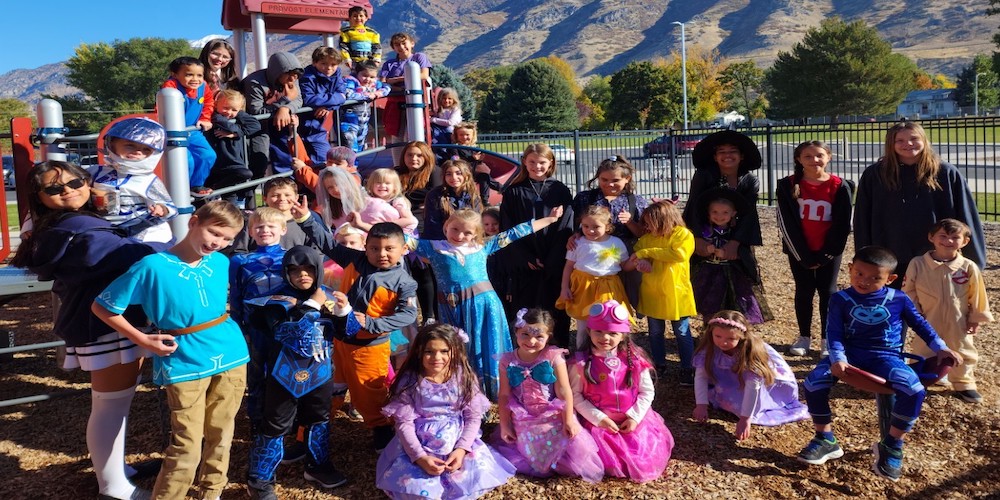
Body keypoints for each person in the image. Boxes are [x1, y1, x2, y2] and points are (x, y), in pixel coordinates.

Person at [11, 161, 167, 500]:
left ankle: (115, 471)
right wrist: (180, 250)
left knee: (112, 403)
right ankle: (113, 487)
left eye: (75, 181)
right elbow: (132, 256)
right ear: (39, 197)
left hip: (102, 322)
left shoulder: (61, 226)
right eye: (54, 188)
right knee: (111, 405)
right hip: (106, 325)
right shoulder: (79, 227)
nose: (67, 190)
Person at [92, 200, 250, 499]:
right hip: (183, 358)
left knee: (222, 433)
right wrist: (142, 338)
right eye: (214, 233)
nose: (219, 243)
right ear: (194, 222)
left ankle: (212, 492)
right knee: (186, 443)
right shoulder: (152, 266)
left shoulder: (220, 263)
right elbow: (103, 307)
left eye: (227, 239)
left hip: (230, 353)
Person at [797, 246, 962, 482]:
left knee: (914, 390)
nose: (865, 281)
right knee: (813, 382)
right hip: (850, 353)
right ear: (850, 269)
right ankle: (825, 438)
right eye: (859, 274)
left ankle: (892, 444)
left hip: (885, 356)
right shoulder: (840, 299)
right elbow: (833, 334)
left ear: (891, 279)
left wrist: (941, 347)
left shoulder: (898, 298)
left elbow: (920, 325)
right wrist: (839, 359)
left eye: (876, 277)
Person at [398, 207, 564, 400]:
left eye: (467, 232)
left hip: (483, 305)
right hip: (451, 307)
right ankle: (463, 387)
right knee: (456, 345)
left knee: (483, 344)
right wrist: (362, 224)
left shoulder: (483, 246)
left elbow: (515, 233)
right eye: (455, 229)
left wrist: (550, 220)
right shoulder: (432, 247)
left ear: (476, 233)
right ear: (446, 227)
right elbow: (397, 237)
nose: (460, 235)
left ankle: (491, 389)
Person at [294, 216, 418, 452]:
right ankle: (307, 438)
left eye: (389, 248)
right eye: (374, 248)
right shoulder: (355, 259)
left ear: (403, 249)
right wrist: (305, 219)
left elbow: (408, 315)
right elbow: (327, 244)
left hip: (369, 349)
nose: (381, 253)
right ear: (365, 247)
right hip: (337, 343)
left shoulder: (404, 282)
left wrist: (372, 323)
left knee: (371, 396)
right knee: (325, 389)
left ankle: (384, 437)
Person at [244, 246, 349, 497]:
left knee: (318, 420)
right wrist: (313, 304)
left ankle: (317, 466)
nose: (302, 275)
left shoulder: (327, 296)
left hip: (319, 372)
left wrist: (343, 312)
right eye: (295, 270)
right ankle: (259, 481)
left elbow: (348, 333)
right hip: (283, 375)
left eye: (309, 269)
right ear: (286, 273)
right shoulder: (276, 301)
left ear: (318, 271)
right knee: (275, 426)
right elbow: (288, 333)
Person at [375, 324, 516, 499]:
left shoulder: (464, 377)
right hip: (420, 443)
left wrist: (462, 449)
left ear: (455, 351)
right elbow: (404, 424)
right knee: (414, 486)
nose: (437, 357)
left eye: (444, 351)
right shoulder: (410, 381)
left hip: (457, 440)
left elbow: (473, 417)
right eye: (429, 351)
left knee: (473, 478)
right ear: (419, 351)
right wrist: (419, 457)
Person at [854, 121, 986, 285]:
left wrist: (974, 260)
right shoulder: (876, 174)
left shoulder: (945, 172)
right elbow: (862, 218)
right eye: (900, 140)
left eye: (914, 138)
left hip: (935, 255)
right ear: (891, 144)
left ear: (924, 140)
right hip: (890, 254)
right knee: (893, 306)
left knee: (932, 305)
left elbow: (966, 215)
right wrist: (864, 256)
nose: (908, 144)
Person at [491, 308, 604, 482]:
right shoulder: (507, 360)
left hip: (552, 413)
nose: (531, 341)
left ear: (548, 336)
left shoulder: (553, 357)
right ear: (516, 332)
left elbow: (564, 390)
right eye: (525, 334)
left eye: (539, 337)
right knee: (521, 448)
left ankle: (556, 461)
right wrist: (505, 424)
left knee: (564, 441)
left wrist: (568, 420)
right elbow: (504, 395)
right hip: (523, 415)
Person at [570, 300, 674, 483]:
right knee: (600, 459)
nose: (605, 338)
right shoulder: (580, 363)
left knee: (641, 456)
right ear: (589, 331)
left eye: (612, 333)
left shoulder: (635, 360)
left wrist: (634, 417)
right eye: (599, 331)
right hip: (598, 424)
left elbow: (646, 392)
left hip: (634, 422)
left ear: (623, 336)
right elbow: (575, 396)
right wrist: (599, 419)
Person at [902, 219, 993, 404]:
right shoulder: (918, 264)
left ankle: (963, 382)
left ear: (965, 242)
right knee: (923, 347)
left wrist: (975, 318)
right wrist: (915, 314)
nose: (948, 241)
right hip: (927, 317)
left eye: (954, 237)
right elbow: (908, 291)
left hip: (958, 319)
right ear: (931, 238)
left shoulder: (968, 267)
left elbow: (977, 295)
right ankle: (920, 379)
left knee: (961, 349)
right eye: (943, 236)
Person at [777, 141, 853, 357]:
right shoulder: (788, 185)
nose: (814, 160)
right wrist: (803, 255)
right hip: (799, 250)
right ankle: (804, 337)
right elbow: (786, 223)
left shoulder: (840, 185)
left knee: (828, 292)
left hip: (828, 250)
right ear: (799, 159)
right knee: (804, 291)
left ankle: (827, 339)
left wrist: (827, 253)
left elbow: (842, 223)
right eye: (808, 156)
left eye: (819, 155)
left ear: (828, 157)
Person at [499, 143, 575, 346]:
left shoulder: (560, 190)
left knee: (554, 313)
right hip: (526, 264)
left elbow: (566, 226)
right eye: (531, 162)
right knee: (526, 312)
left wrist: (554, 259)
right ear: (524, 161)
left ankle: (557, 354)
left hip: (553, 263)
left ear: (550, 163)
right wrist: (525, 258)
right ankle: (526, 354)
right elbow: (508, 228)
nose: (537, 166)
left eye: (542, 162)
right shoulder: (514, 192)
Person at [692, 311, 810, 440]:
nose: (723, 342)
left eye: (730, 339)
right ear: (711, 333)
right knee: (725, 398)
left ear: (741, 337)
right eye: (718, 336)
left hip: (760, 384)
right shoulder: (709, 348)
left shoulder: (750, 354)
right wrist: (701, 405)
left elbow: (753, 386)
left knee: (747, 403)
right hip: (731, 379)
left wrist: (745, 419)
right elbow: (701, 376)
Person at [624, 199, 696, 383]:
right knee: (655, 332)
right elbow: (637, 257)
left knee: (681, 331)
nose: (646, 225)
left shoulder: (682, 234)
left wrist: (646, 253)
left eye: (650, 221)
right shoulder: (647, 239)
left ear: (663, 219)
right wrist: (641, 262)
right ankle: (659, 364)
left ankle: (688, 367)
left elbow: (678, 254)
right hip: (652, 292)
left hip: (675, 292)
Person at [229, 207, 288, 428]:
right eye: (259, 227)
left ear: (283, 229)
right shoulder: (240, 261)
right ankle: (257, 418)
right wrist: (238, 326)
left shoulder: (291, 257)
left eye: (271, 226)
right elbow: (235, 295)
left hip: (285, 324)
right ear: (250, 232)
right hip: (255, 325)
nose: (265, 230)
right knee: (257, 372)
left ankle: (283, 418)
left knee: (284, 369)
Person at [571, 155, 648, 309]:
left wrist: (630, 222)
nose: (609, 184)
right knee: (598, 292)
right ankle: (595, 324)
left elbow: (643, 233)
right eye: (604, 180)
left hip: (627, 249)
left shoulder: (636, 201)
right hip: (595, 250)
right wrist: (574, 236)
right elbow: (577, 225)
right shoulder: (585, 198)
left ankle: (621, 323)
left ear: (627, 179)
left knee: (631, 289)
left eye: (615, 180)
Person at [88, 117, 176, 243]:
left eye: (147, 149)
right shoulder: (96, 172)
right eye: (130, 146)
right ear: (112, 145)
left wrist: (162, 209)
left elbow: (171, 207)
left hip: (143, 232)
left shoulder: (149, 180)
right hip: (105, 229)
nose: (138, 152)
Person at [690, 189, 771, 324]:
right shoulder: (704, 231)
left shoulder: (735, 233)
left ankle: (734, 331)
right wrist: (706, 249)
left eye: (725, 212)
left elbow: (745, 254)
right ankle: (709, 332)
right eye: (714, 212)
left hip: (731, 273)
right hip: (708, 273)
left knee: (734, 304)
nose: (719, 216)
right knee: (708, 305)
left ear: (733, 214)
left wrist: (732, 254)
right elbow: (694, 248)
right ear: (708, 213)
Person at [556, 205, 631, 348]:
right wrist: (564, 288)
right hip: (584, 288)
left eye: (596, 227)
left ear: (607, 226)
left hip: (608, 289)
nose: (590, 230)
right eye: (585, 226)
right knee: (583, 325)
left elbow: (625, 265)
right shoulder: (577, 243)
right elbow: (568, 267)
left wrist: (634, 262)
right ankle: (581, 357)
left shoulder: (616, 243)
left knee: (609, 323)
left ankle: (610, 356)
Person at [395, 141, 443, 324]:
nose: (414, 159)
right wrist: (417, 203)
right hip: (401, 227)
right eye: (409, 155)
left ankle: (430, 315)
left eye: (418, 155)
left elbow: (434, 198)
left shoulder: (434, 172)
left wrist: (409, 200)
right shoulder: (398, 173)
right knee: (410, 273)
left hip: (424, 229)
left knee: (425, 272)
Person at [230, 177, 332, 254]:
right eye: (275, 195)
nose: (282, 199)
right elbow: (239, 251)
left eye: (287, 195)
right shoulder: (252, 221)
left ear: (296, 197)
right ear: (265, 198)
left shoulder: (306, 222)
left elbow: (315, 252)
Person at [161, 56, 217, 195]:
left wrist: (205, 118)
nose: (195, 79)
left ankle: (196, 185)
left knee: (208, 155)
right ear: (175, 75)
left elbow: (209, 102)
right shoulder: (171, 87)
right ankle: (182, 189)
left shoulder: (203, 86)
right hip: (174, 132)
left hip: (193, 131)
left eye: (199, 75)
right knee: (187, 160)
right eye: (189, 75)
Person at [243, 51, 304, 178]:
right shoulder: (254, 82)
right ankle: (250, 196)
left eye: (296, 75)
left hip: (281, 126)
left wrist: (285, 108)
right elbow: (256, 111)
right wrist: (284, 101)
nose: (293, 79)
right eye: (288, 75)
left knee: (289, 158)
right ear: (278, 72)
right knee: (259, 164)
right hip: (258, 129)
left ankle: (288, 190)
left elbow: (298, 99)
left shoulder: (292, 78)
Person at [205, 89, 262, 207]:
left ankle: (217, 192)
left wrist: (235, 133)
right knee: (239, 182)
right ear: (216, 105)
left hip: (233, 163)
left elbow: (255, 125)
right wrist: (235, 127)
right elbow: (219, 120)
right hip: (219, 163)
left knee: (240, 181)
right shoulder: (214, 116)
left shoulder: (237, 116)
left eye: (234, 109)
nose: (229, 112)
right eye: (225, 108)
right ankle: (215, 192)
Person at [379, 32, 432, 150]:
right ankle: (398, 165)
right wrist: (400, 87)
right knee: (396, 136)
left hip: (414, 102)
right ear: (393, 48)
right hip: (395, 104)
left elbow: (423, 75)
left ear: (412, 43)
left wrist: (397, 79)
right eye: (397, 45)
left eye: (404, 43)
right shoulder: (389, 64)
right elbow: (382, 82)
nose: (401, 47)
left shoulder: (419, 57)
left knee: (413, 135)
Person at [299, 47, 348, 166]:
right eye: (324, 63)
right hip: (306, 125)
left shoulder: (336, 75)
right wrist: (335, 99)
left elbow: (343, 94)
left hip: (318, 127)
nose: (329, 68)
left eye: (333, 64)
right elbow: (309, 99)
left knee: (321, 159)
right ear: (314, 63)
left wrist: (328, 107)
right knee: (317, 159)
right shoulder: (307, 78)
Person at [422, 159, 484, 240]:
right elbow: (432, 225)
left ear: (466, 175)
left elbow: (476, 222)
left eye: (459, 173)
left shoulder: (472, 195)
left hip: (467, 240)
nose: (454, 177)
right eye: (449, 174)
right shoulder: (435, 195)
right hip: (442, 241)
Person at [340, 61, 390, 153]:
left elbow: (387, 87)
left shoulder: (374, 84)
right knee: (351, 146)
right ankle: (352, 166)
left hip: (363, 122)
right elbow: (348, 94)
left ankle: (356, 165)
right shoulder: (350, 81)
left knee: (360, 146)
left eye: (372, 77)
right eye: (364, 75)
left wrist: (378, 93)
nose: (368, 79)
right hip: (350, 121)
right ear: (357, 73)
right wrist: (366, 96)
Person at [361, 167, 417, 234]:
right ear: (371, 185)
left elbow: (409, 220)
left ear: (395, 187)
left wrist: (384, 225)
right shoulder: (369, 199)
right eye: (378, 183)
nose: (382, 186)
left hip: (396, 234)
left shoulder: (396, 201)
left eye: (387, 183)